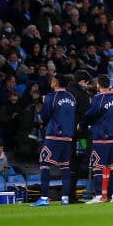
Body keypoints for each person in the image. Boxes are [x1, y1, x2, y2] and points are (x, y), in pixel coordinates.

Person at [31, 74, 77, 206]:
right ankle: (65, 198)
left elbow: (45, 116)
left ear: (56, 82)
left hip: (54, 136)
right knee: (65, 166)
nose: (51, 82)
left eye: (52, 80)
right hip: (68, 137)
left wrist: (44, 104)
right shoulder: (72, 97)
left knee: (45, 163)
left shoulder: (52, 96)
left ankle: (44, 198)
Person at [81, 74, 113, 204]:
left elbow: (90, 114)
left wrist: (82, 124)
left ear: (98, 84)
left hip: (101, 138)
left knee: (97, 167)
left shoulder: (98, 98)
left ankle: (98, 196)